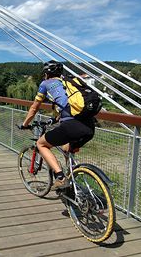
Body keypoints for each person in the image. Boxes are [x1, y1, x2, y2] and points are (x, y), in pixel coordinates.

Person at [19, 60, 95, 190]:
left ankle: (60, 178)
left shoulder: (45, 84)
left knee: (41, 144)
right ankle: (72, 185)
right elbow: (68, 106)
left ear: (47, 74)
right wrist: (55, 119)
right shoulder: (70, 82)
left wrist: (25, 124)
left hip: (72, 126)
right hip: (89, 126)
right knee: (66, 149)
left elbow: (34, 108)